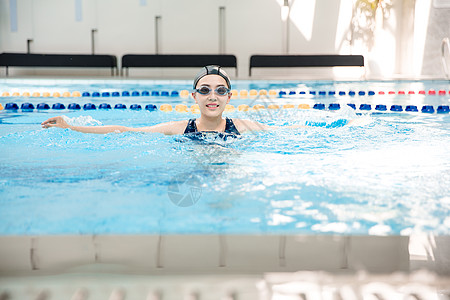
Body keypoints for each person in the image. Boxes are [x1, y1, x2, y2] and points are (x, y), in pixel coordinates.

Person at [41, 65, 273, 135]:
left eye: (220, 91)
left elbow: (286, 131)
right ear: (194, 96)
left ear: (229, 97)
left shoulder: (243, 127)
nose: (213, 96)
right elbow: (126, 130)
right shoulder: (180, 128)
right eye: (205, 90)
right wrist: (70, 127)